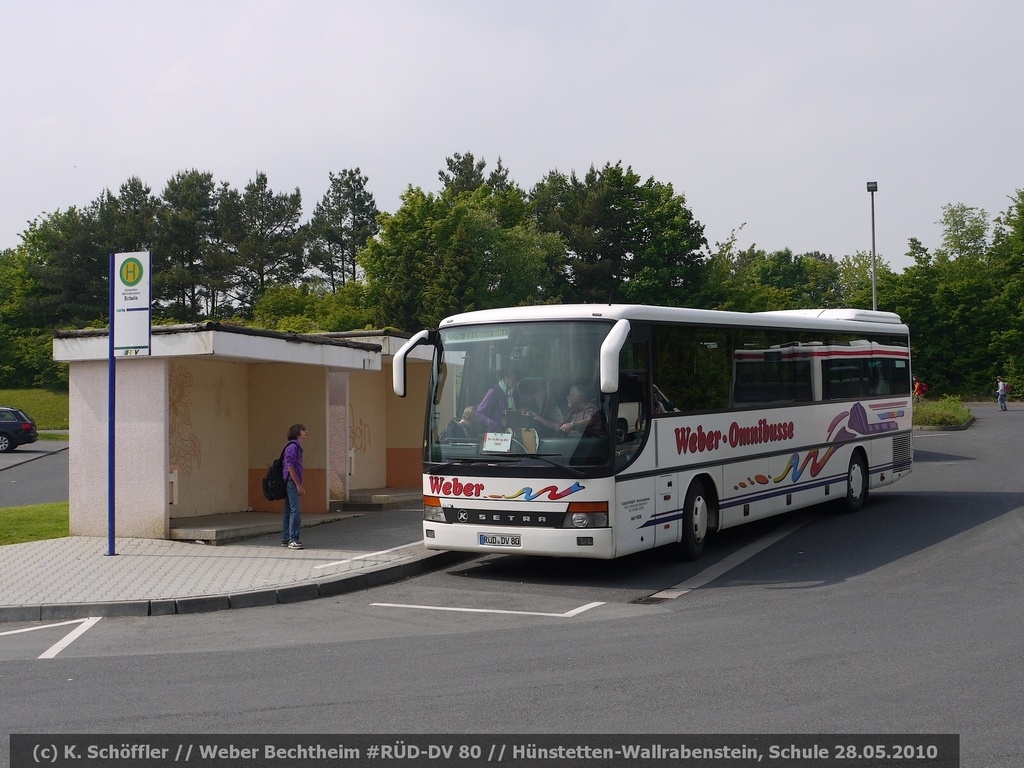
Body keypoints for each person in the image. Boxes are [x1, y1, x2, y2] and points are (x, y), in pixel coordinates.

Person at [526, 384, 600, 436]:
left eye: (570, 395)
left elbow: (589, 420)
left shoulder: (590, 407)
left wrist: (572, 425)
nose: (567, 397)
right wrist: (538, 418)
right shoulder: (572, 412)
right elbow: (558, 427)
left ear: (579, 398)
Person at [281, 423, 308, 549]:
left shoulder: (296, 447)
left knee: (288, 510)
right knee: (295, 510)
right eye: (303, 430)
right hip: (292, 482)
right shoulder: (293, 447)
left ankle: (285, 538)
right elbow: (290, 466)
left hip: (291, 481)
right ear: (297, 432)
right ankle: (293, 539)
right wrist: (298, 485)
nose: (306, 431)